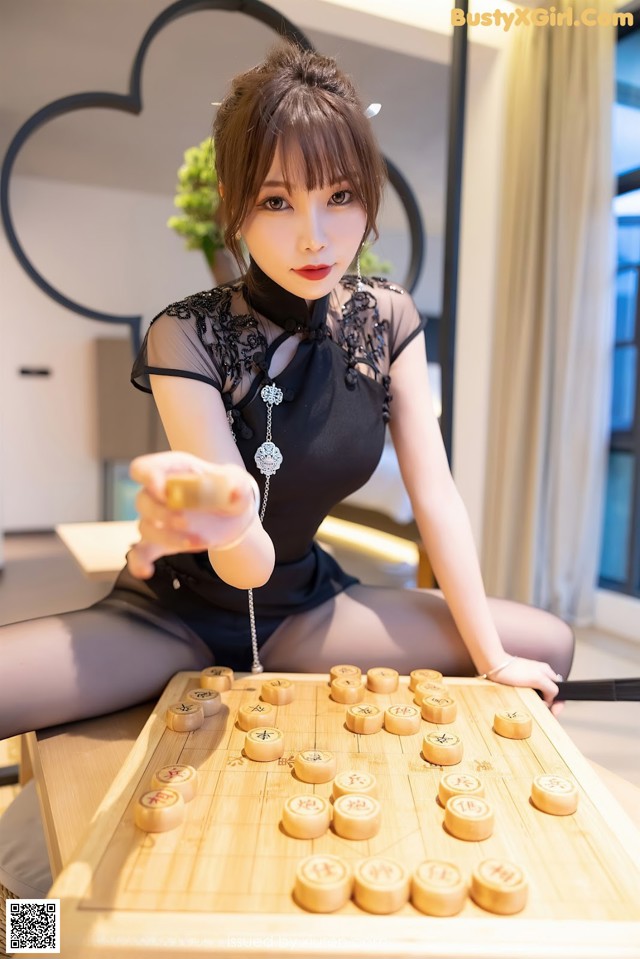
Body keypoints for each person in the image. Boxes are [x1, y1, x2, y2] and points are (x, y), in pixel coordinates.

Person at [0, 40, 573, 747]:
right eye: (277, 200)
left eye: (340, 195)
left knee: (545, 641)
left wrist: (494, 659)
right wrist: (234, 515)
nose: (316, 235)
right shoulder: (187, 333)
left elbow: (436, 498)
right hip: (174, 613)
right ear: (236, 210)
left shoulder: (388, 318)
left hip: (307, 609)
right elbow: (245, 559)